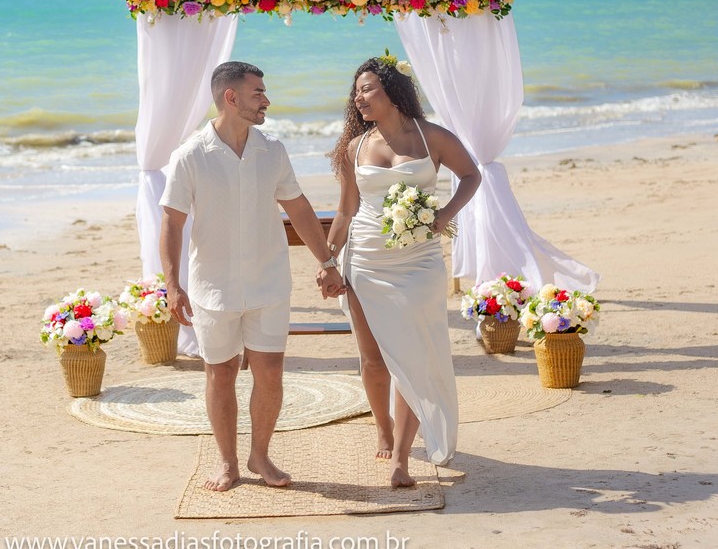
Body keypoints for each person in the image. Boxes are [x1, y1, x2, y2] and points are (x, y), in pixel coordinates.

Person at [160, 61, 343, 492]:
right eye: (258, 92)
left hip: (268, 283)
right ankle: (227, 462)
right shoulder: (190, 155)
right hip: (213, 287)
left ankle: (259, 454)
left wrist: (327, 262)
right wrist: (172, 284)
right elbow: (171, 222)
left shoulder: (272, 150)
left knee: (270, 373)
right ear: (231, 97)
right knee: (220, 373)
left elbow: (298, 209)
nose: (266, 100)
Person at [325, 54, 481, 487]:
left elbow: (470, 175)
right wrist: (326, 259)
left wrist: (443, 214)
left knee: (411, 357)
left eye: (367, 88)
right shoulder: (355, 147)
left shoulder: (433, 139)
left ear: (393, 90)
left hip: (419, 262)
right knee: (373, 360)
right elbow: (345, 211)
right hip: (364, 258)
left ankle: (400, 459)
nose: (358, 98)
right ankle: (383, 428)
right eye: (356, 91)